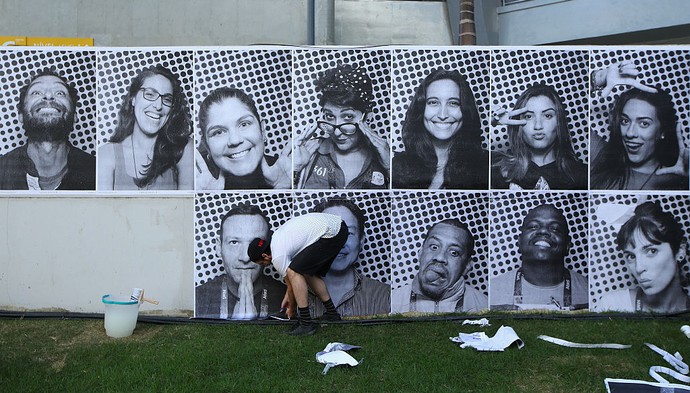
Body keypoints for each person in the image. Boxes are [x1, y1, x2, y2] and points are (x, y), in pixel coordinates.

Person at [247, 212, 348, 336]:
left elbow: (291, 281)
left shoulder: (278, 256)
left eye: (262, 263)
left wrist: (291, 308)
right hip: (337, 227)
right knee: (305, 272)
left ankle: (306, 323)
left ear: (265, 255)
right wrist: (288, 298)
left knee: (295, 271)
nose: (264, 266)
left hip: (332, 232)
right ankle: (332, 314)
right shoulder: (278, 240)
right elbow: (291, 284)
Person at [98, 65, 194, 190]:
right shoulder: (106, 154)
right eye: (150, 94)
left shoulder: (183, 150)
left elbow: (185, 207)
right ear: (133, 98)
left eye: (167, 99)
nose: (158, 105)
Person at [294, 63, 389, 189]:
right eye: (330, 116)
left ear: (367, 117)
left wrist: (389, 167)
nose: (337, 132)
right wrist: (295, 170)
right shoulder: (308, 152)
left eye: (348, 117)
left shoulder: (385, 158)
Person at [0, 68, 95, 190]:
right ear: (21, 115)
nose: (49, 96)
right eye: (37, 93)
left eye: (59, 93)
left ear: (74, 115)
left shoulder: (94, 170)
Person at [393, 68, 488, 189]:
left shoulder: (487, 166)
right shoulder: (396, 167)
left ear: (466, 110)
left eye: (453, 103)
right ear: (421, 109)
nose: (443, 115)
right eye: (433, 102)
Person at [195, 203, 286, 320]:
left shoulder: (286, 295)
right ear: (219, 247)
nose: (245, 257)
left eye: (255, 244)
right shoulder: (198, 297)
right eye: (234, 242)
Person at [490, 204, 588, 311]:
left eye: (555, 229)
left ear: (567, 245)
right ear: (519, 241)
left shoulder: (589, 292)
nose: (543, 231)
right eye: (533, 226)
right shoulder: (492, 291)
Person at [596, 201, 690, 313]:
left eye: (651, 251)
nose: (639, 268)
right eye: (631, 256)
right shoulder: (612, 306)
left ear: (680, 250)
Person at [491, 83, 587, 190]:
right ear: (517, 124)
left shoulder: (583, 176)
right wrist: (489, 121)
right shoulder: (496, 169)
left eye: (547, 116)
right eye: (528, 116)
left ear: (559, 122)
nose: (538, 126)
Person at [590, 85, 688, 190]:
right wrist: (596, 79)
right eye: (625, 121)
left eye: (644, 123)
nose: (630, 133)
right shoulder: (601, 156)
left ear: (662, 131)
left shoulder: (674, 181)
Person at [196, 87, 290, 190]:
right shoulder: (202, 185)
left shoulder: (289, 173)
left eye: (244, 124)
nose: (234, 140)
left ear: (262, 130)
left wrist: (287, 188)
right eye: (219, 132)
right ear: (207, 146)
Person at [309, 198, 390, 317]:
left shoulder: (386, 295)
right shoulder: (292, 293)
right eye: (329, 233)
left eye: (348, 233)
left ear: (361, 239)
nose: (339, 243)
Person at [391, 218, 487, 313]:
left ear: (466, 266)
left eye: (454, 252)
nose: (440, 257)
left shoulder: (485, 306)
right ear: (420, 252)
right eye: (434, 247)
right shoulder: (391, 302)